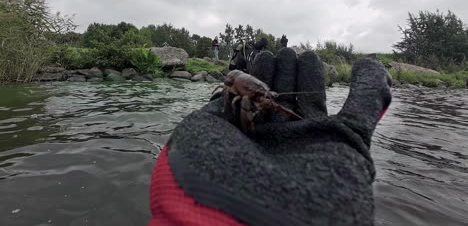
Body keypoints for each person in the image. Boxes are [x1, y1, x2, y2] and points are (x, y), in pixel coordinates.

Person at [148, 48, 392, 225]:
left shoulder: (262, 92)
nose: (267, 99)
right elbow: (234, 96)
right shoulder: (234, 84)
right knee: (242, 102)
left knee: (266, 101)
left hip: (250, 84)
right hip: (237, 83)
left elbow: (267, 99)